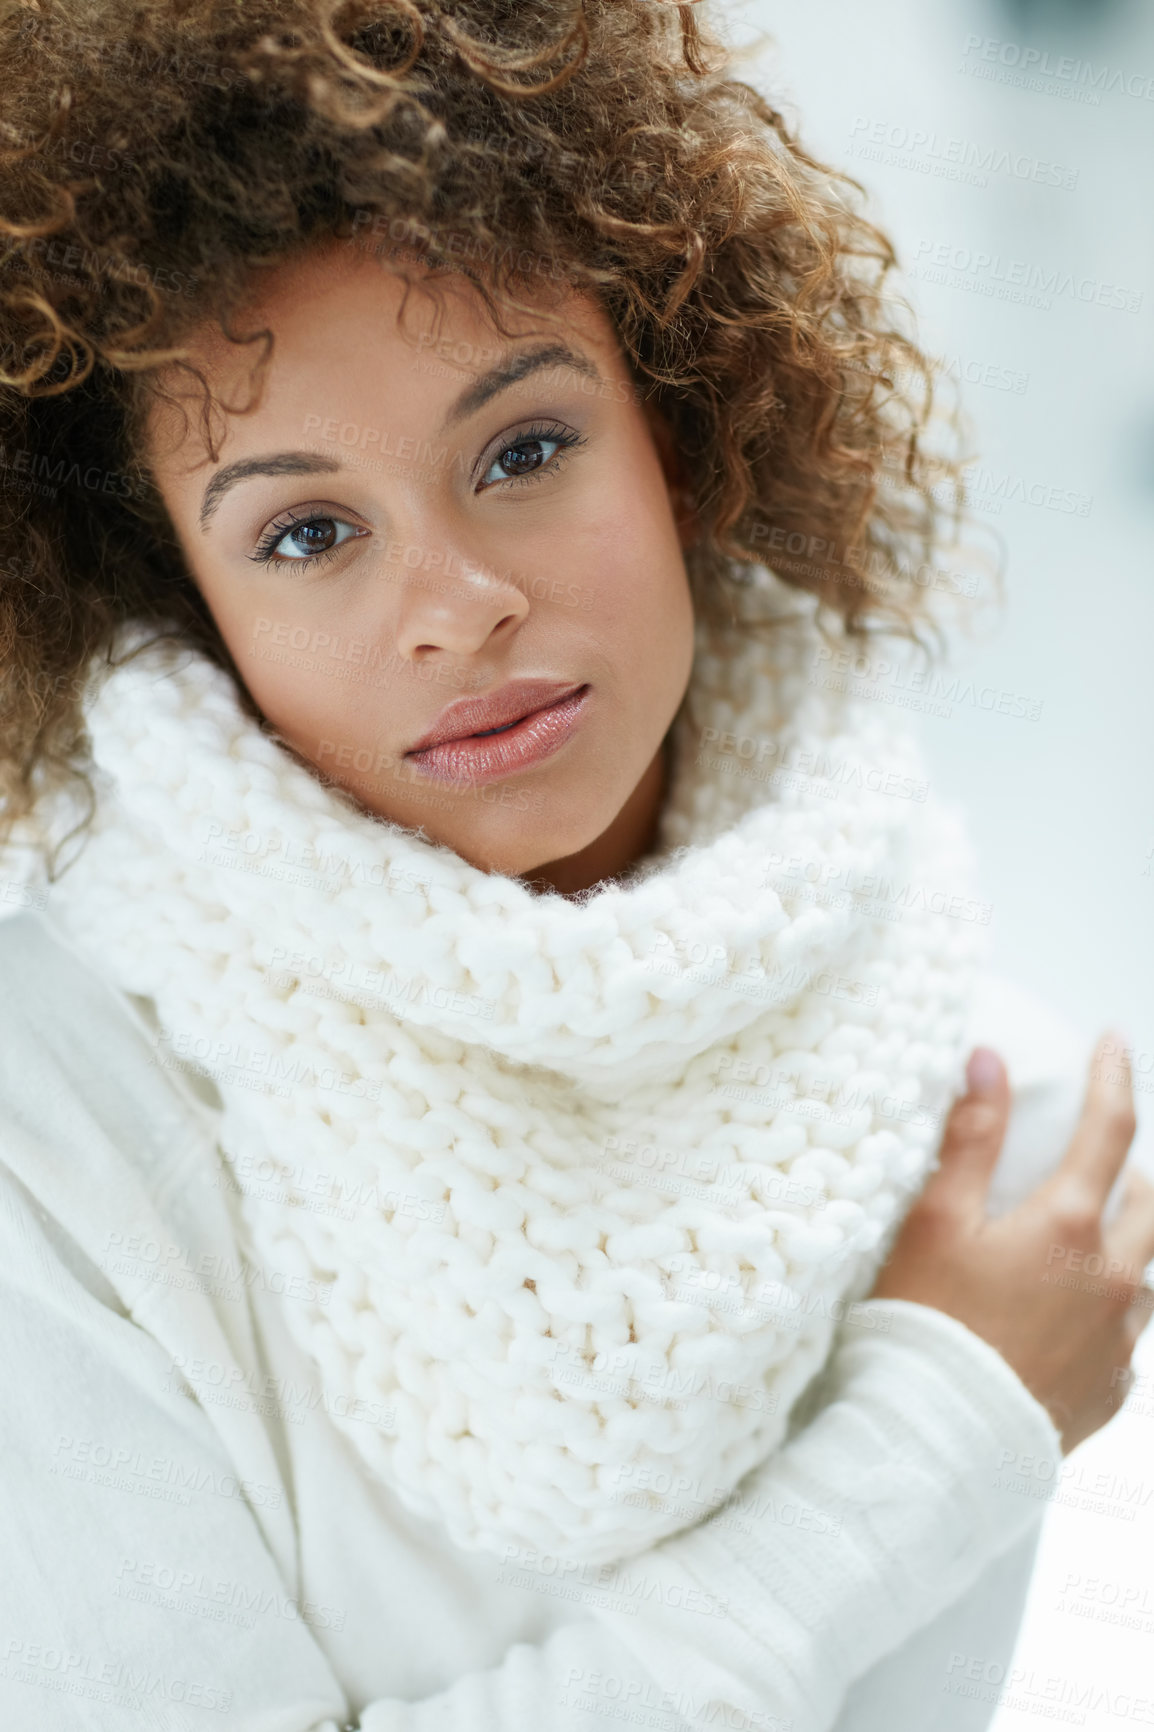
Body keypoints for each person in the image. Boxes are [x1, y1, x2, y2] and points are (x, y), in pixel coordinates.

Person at [1, 2, 1152, 1728]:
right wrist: (937, 1434)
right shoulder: (50, 1125)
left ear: (677, 437)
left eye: (524, 451)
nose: (457, 602)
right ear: (188, 609)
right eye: (306, 534)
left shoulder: (1011, 1153)